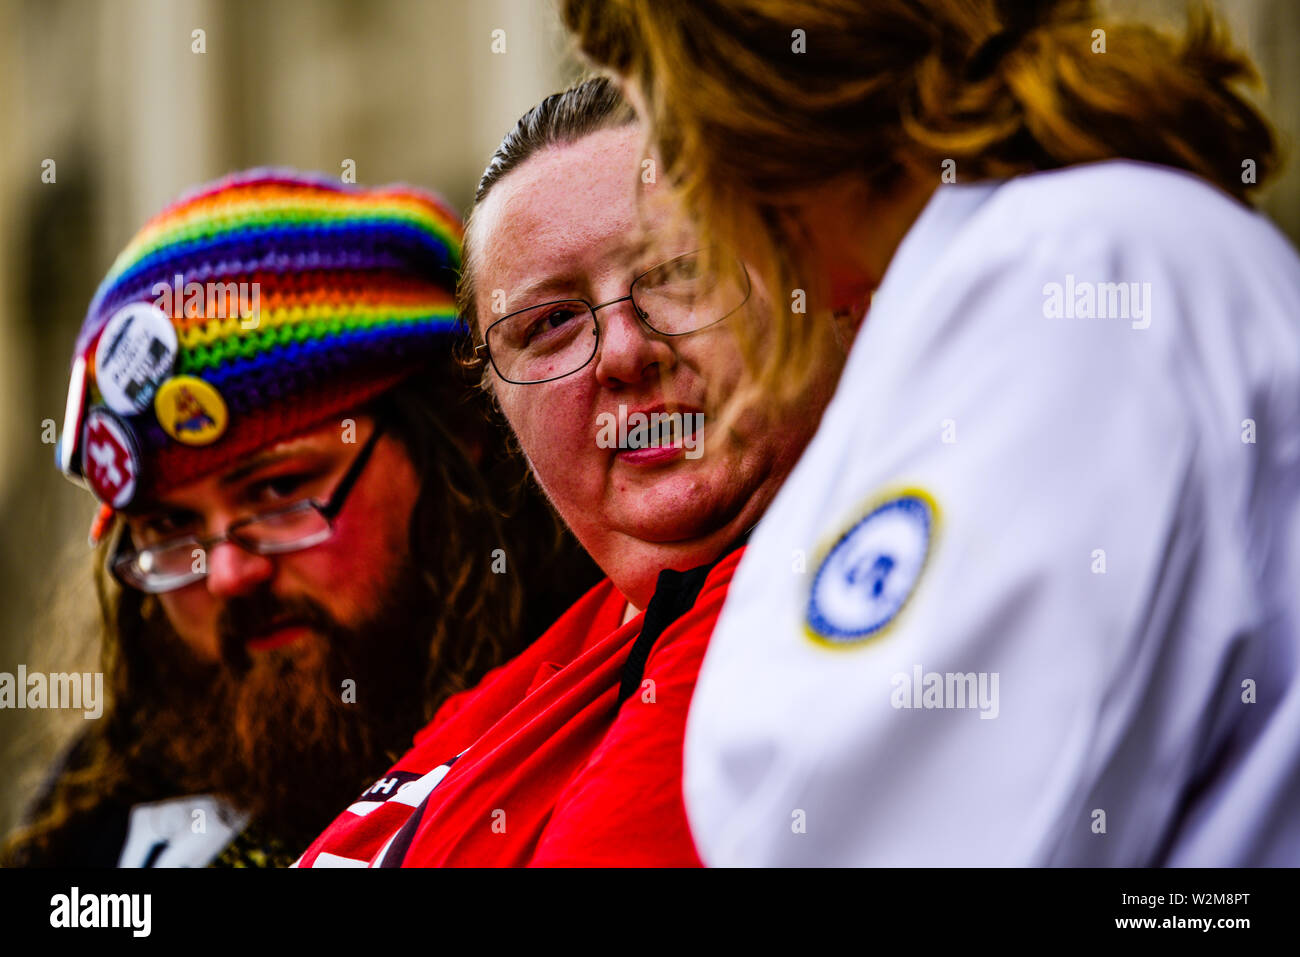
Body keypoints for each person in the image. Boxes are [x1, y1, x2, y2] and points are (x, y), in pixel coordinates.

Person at [562, 0, 1300, 865]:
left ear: (738, 124)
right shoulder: (1041, 258)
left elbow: (943, 820)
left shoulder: (1071, 274)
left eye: (669, 151)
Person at [294, 77, 839, 867]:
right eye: (548, 323)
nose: (624, 352)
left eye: (681, 271)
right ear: (496, 406)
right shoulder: (522, 682)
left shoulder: (854, 605)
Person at [4, 168, 596, 868]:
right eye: (168, 529)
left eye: (280, 490)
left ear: (454, 438)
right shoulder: (88, 833)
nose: (227, 572)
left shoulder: (606, 723)